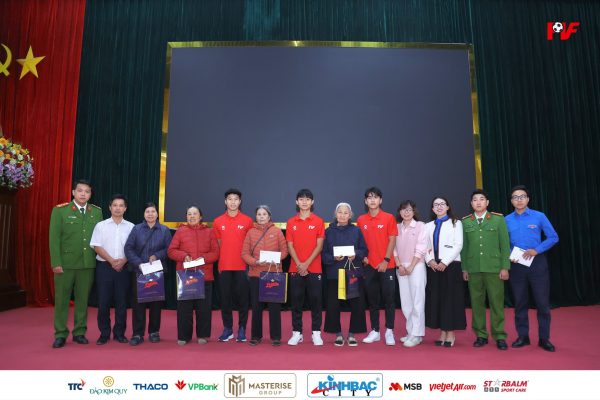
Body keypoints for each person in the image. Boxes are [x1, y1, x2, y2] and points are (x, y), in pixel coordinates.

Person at [49, 179, 102, 348]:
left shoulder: (96, 212)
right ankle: (60, 334)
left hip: (87, 264)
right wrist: (56, 262)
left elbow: (99, 239)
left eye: (87, 191)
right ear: (73, 192)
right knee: (62, 300)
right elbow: (54, 239)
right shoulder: (60, 211)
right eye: (80, 191)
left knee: (82, 301)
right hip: (65, 264)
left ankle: (79, 332)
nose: (83, 194)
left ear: (90, 194)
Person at [505, 185, 559, 352]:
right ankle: (523, 336)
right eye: (515, 197)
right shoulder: (506, 220)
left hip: (537, 263)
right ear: (511, 201)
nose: (519, 200)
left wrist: (537, 249)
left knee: (542, 303)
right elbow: (502, 242)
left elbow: (553, 237)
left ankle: (544, 338)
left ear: (528, 199)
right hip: (516, 265)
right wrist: (509, 254)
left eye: (522, 196)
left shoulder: (539, 216)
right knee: (520, 302)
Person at [461, 189, 511, 350]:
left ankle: (499, 335)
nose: (478, 202)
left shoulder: (498, 220)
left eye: (482, 199)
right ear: (471, 203)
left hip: (494, 268)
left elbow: (505, 245)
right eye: (475, 199)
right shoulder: (466, 222)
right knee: (476, 304)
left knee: (496, 303)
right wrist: (464, 268)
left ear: (487, 202)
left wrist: (505, 267)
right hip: (474, 269)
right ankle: (481, 335)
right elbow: (464, 248)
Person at [167, 205, 219, 345]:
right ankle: (184, 336)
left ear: (200, 217)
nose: (192, 216)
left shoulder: (209, 232)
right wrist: (183, 256)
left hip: (204, 275)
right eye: (189, 214)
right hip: (185, 276)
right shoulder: (180, 231)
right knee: (184, 309)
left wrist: (203, 258)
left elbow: (215, 253)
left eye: (195, 214)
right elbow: (171, 251)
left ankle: (202, 335)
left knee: (204, 308)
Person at [123, 202, 173, 346]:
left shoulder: (164, 230)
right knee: (138, 303)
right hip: (139, 271)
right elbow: (128, 248)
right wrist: (139, 263)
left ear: (157, 214)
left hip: (157, 272)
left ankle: (154, 332)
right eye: (147, 211)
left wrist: (157, 256)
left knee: (156, 303)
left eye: (153, 211)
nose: (150, 214)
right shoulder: (136, 229)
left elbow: (169, 249)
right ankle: (137, 333)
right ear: (144, 214)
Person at [90, 194, 134, 345]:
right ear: (110, 207)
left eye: (121, 205)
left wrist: (123, 261)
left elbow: (133, 248)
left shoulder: (131, 227)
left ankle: (119, 333)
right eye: (115, 205)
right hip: (104, 268)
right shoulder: (100, 226)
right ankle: (104, 334)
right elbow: (96, 246)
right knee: (103, 302)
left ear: (125, 208)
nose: (118, 208)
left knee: (122, 303)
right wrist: (111, 261)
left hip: (124, 268)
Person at [241, 205, 289, 346]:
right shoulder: (250, 232)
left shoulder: (277, 231)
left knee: (274, 307)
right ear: (255, 217)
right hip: (256, 274)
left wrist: (276, 258)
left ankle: (276, 337)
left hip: (273, 274)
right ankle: (256, 336)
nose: (261, 217)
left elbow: (285, 251)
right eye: (259, 214)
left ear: (269, 217)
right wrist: (255, 262)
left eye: (264, 214)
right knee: (256, 307)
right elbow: (244, 253)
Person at [322, 202, 368, 347]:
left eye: (345, 212)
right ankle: (338, 334)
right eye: (340, 212)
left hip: (353, 272)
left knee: (356, 304)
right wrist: (333, 257)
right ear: (335, 214)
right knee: (333, 305)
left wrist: (356, 254)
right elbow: (323, 254)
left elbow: (364, 250)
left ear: (350, 215)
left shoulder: (356, 231)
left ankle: (352, 334)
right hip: (334, 273)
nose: (342, 215)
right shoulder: (328, 231)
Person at [357, 187, 399, 345]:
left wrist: (386, 260)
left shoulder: (389, 218)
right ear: (365, 201)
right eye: (369, 197)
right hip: (368, 265)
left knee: (389, 299)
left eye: (375, 197)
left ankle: (389, 331)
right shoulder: (361, 219)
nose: (372, 200)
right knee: (372, 300)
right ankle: (375, 330)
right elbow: (360, 243)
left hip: (387, 265)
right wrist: (364, 257)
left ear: (380, 200)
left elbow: (392, 239)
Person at [424, 196, 466, 348]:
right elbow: (424, 246)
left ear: (448, 207)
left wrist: (445, 262)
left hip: (451, 266)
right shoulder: (428, 226)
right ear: (432, 209)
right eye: (436, 204)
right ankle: (442, 332)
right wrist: (429, 260)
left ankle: (450, 333)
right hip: (434, 267)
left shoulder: (456, 223)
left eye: (442, 204)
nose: (439, 206)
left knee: (450, 300)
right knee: (437, 299)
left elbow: (458, 245)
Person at [286, 189, 325, 346]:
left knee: (316, 302)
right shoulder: (291, 222)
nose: (304, 202)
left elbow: (319, 246)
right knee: (296, 303)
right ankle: (297, 333)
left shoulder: (319, 221)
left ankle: (316, 333)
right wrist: (299, 264)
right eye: (301, 199)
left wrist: (306, 264)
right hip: (295, 268)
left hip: (314, 268)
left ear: (312, 202)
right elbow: (290, 246)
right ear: (297, 202)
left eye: (307, 199)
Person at [213, 189, 253, 342]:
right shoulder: (218, 221)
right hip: (224, 266)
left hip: (242, 266)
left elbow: (250, 245)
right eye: (230, 199)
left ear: (240, 202)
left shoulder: (247, 220)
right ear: (225, 201)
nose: (233, 202)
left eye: (236, 199)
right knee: (225, 300)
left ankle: (242, 328)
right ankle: (228, 329)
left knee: (243, 300)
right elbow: (219, 244)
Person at [394, 200, 427, 348]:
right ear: (399, 212)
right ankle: (410, 332)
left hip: (416, 266)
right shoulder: (396, 227)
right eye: (403, 210)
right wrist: (399, 265)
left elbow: (421, 247)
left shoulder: (420, 226)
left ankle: (417, 334)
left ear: (414, 212)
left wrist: (412, 266)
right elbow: (393, 249)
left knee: (417, 301)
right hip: (401, 267)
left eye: (409, 210)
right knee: (406, 302)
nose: (406, 212)